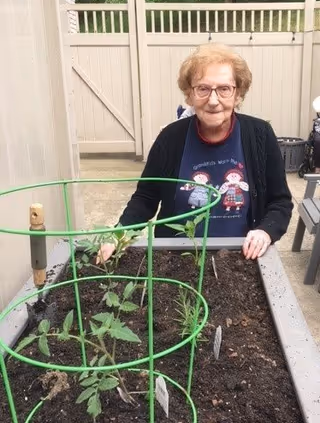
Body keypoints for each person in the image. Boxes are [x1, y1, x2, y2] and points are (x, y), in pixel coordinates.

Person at [98, 43, 293, 263]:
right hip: (176, 259)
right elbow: (146, 197)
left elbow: (280, 202)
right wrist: (119, 233)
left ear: (238, 94)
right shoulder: (170, 138)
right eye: (202, 89)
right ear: (189, 95)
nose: (213, 100)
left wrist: (265, 232)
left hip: (241, 258)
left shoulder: (260, 135)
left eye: (224, 89)